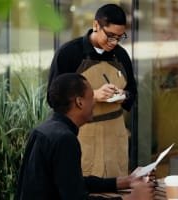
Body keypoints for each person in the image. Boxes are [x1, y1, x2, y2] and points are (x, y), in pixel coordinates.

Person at [16, 73, 154, 200]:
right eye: (91, 96)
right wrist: (132, 199)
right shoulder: (64, 139)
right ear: (79, 102)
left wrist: (125, 181)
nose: (94, 102)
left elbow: (71, 182)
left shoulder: (44, 129)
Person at [47, 4, 137, 177]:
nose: (114, 42)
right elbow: (53, 99)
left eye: (120, 37)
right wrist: (93, 95)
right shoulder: (68, 54)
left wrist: (122, 95)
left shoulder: (122, 56)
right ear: (96, 25)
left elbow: (132, 93)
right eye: (110, 36)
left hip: (115, 139)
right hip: (82, 137)